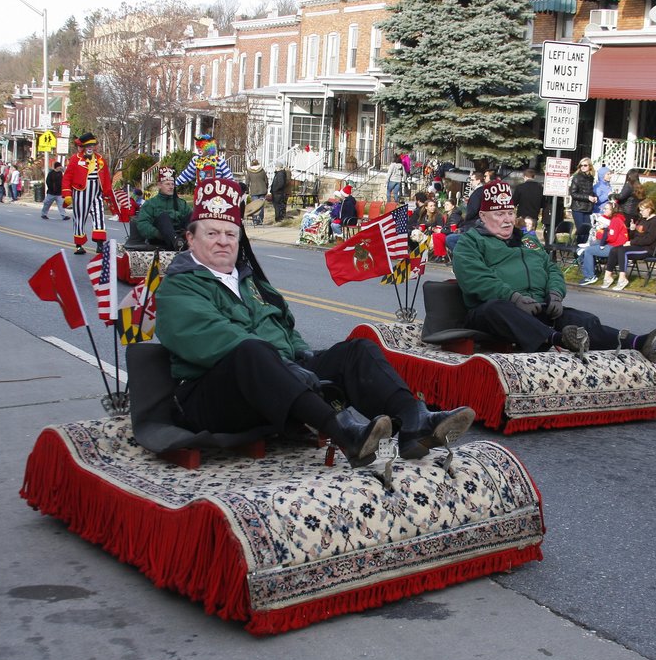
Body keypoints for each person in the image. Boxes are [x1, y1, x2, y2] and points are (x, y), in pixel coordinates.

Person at [154, 178, 476, 466]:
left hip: (276, 381)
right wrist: (283, 366)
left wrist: (304, 358)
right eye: (212, 233)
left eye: (230, 234)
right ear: (191, 239)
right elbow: (214, 339)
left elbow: (285, 327)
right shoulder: (178, 286)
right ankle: (345, 433)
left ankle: (414, 421)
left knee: (357, 351)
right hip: (213, 397)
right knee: (250, 351)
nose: (223, 241)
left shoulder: (249, 281)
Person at [451, 179, 656, 361]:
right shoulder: (470, 242)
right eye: (499, 214)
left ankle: (640, 343)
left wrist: (555, 294)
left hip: (536, 307)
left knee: (580, 319)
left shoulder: (528, 241)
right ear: (483, 216)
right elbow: (476, 279)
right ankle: (560, 339)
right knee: (497, 308)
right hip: (492, 312)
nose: (507, 220)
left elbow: (551, 268)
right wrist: (514, 298)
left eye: (510, 213)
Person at [62, 132, 117, 254]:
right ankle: (79, 245)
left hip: (97, 193)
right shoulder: (75, 159)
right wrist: (67, 194)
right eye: (88, 146)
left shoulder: (100, 160)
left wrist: (107, 192)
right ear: (83, 147)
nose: (90, 148)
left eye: (92, 146)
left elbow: (106, 177)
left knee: (99, 217)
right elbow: (67, 177)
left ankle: (100, 243)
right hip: (81, 193)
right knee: (79, 219)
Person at [603, 197, 656, 291]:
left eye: (642, 210)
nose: (641, 212)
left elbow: (649, 240)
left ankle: (622, 278)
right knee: (615, 249)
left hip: (647, 249)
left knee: (623, 251)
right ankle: (608, 276)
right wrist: (632, 229)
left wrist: (631, 242)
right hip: (637, 245)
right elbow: (634, 236)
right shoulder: (642, 220)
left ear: (649, 209)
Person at [135, 167, 193, 251]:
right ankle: (177, 242)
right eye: (167, 184)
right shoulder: (151, 204)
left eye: (172, 184)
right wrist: (157, 233)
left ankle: (186, 242)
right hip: (159, 238)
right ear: (159, 185)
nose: (171, 187)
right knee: (163, 217)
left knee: (192, 215)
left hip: (180, 236)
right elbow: (142, 224)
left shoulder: (181, 203)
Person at [578, 201, 628, 286]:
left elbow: (611, 237)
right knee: (584, 249)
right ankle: (590, 270)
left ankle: (590, 276)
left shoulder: (616, 220)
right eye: (604, 209)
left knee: (589, 251)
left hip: (615, 248)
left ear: (613, 210)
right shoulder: (614, 219)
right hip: (612, 245)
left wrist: (599, 234)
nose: (604, 210)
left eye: (606, 209)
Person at [444, 171, 485, 255]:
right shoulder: (478, 191)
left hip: (474, 226)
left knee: (450, 239)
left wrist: (466, 218)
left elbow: (473, 210)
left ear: (478, 181)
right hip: (473, 226)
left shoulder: (478, 192)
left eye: (472, 180)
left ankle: (463, 257)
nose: (471, 182)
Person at [568, 159, 597, 236]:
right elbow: (573, 193)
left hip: (588, 208)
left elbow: (589, 191)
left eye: (585, 165)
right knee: (581, 231)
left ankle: (582, 246)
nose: (583, 167)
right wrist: (587, 197)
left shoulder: (591, 178)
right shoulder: (577, 177)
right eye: (581, 165)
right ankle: (577, 246)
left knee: (587, 230)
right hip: (578, 208)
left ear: (590, 166)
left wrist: (594, 196)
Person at [246, 159, 268, 226]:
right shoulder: (262, 170)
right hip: (262, 190)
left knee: (255, 206)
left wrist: (247, 190)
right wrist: (266, 187)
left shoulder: (249, 171)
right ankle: (260, 220)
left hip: (254, 190)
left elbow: (247, 182)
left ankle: (255, 220)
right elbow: (266, 180)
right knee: (261, 206)